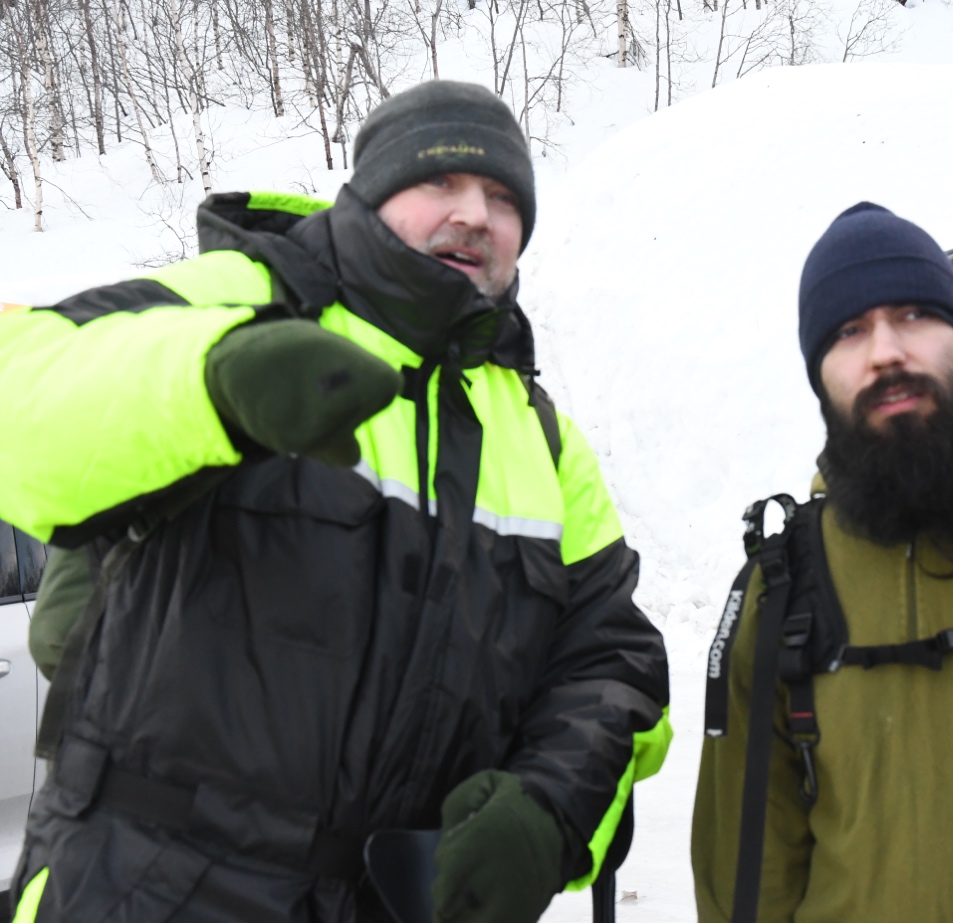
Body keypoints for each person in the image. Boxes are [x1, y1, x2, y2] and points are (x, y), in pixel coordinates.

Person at [0, 80, 671, 923]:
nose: (474, 214)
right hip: (144, 891)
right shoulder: (247, 295)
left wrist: (548, 809)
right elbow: (20, 386)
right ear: (374, 191)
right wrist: (208, 383)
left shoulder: (543, 438)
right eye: (441, 183)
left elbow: (612, 665)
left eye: (503, 198)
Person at [689, 203, 953, 922]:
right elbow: (747, 878)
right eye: (848, 331)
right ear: (821, 377)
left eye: (915, 314)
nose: (885, 350)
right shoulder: (784, 587)